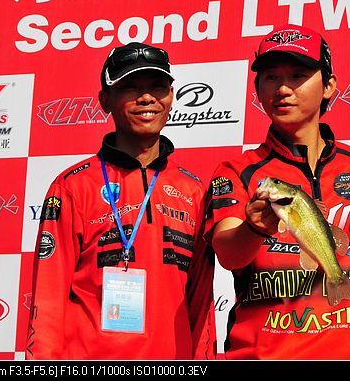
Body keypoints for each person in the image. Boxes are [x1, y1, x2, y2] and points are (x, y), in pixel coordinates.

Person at [203, 24, 350, 360]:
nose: (283, 88)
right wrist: (253, 228)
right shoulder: (237, 171)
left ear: (329, 86)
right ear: (257, 91)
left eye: (297, 75)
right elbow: (228, 254)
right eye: (271, 77)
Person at [26, 42, 216, 360]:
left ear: (171, 96)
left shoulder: (194, 191)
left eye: (157, 86)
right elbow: (48, 299)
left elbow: (201, 306)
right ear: (105, 100)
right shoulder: (73, 186)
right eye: (130, 87)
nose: (146, 98)